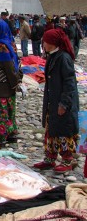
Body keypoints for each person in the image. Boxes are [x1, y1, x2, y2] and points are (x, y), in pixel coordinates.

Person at [33, 28, 79, 173]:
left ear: (52, 43)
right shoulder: (53, 56)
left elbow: (69, 83)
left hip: (61, 102)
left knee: (64, 131)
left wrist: (64, 103)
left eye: (45, 41)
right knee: (51, 130)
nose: (43, 44)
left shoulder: (63, 58)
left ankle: (68, 160)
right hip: (52, 101)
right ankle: (50, 158)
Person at [0, 19, 20, 146]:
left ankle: (1, 137)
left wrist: (14, 83)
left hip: (1, 86)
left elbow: (9, 68)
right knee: (8, 111)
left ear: (1, 31)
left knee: (1, 112)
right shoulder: (5, 44)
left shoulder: (1, 48)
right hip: (4, 86)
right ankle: (11, 135)